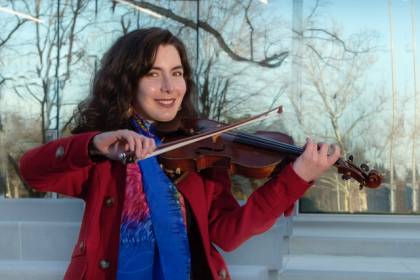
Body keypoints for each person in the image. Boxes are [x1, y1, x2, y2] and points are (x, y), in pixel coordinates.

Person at [19, 27, 340, 280]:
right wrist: (94, 144)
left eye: (176, 72)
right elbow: (33, 171)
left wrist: (296, 177)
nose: (170, 87)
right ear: (127, 82)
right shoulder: (107, 153)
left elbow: (228, 233)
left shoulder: (201, 150)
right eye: (153, 73)